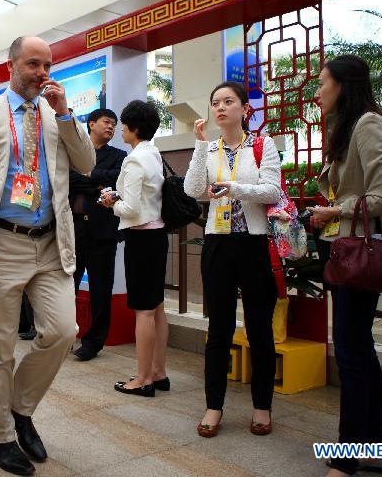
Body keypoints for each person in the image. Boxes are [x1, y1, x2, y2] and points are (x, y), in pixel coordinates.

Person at [0, 35, 95, 476]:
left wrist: (67, 114)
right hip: (0, 243)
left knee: (63, 330)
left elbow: (86, 163)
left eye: (47, 65)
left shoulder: (57, 116)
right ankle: (1, 436)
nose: (42, 73)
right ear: (11, 65)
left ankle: (20, 408)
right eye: (33, 64)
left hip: (50, 243)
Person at [309, 55, 382, 477]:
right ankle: (377, 448)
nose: (316, 92)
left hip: (361, 251)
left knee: (349, 351)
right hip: (347, 248)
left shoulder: (369, 124)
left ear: (343, 85)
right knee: (359, 349)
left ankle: (347, 458)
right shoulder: (346, 128)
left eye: (322, 83)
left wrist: (333, 211)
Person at [183, 81, 282, 438]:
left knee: (259, 328)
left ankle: (262, 406)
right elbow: (193, 190)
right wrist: (197, 144)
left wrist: (235, 188)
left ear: (244, 108)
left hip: (254, 244)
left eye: (228, 101)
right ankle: (213, 406)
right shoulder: (208, 148)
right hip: (218, 243)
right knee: (219, 328)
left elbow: (272, 190)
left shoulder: (261, 144)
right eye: (215, 103)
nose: (221, 107)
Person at [97, 101, 168, 395]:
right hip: (158, 235)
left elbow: (132, 207)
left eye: (124, 124)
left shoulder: (135, 159)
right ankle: (158, 372)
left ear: (134, 128)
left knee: (143, 311)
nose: (120, 129)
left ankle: (142, 379)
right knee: (157, 308)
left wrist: (110, 203)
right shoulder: (153, 153)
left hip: (141, 238)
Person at [69, 108, 126, 361]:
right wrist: (97, 182)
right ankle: (62, 335)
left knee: (101, 289)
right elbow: (68, 179)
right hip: (73, 228)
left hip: (102, 231)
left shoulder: (119, 156)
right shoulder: (75, 152)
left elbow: (117, 180)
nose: (111, 127)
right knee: (65, 285)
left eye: (115, 124)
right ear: (91, 124)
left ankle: (94, 342)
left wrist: (89, 177)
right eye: (106, 122)